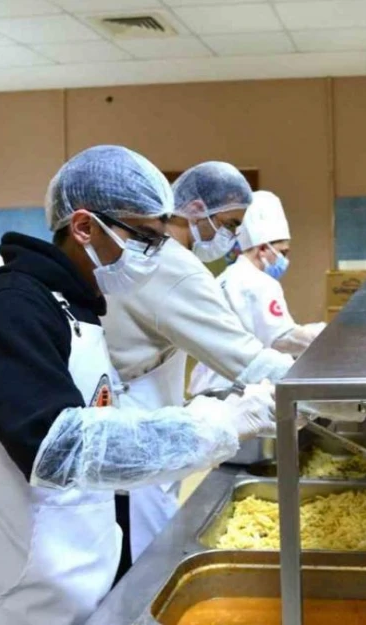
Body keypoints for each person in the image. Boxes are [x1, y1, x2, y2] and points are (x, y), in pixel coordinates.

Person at [0, 146, 276, 625]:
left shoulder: (82, 304)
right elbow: (62, 447)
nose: (155, 254)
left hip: (73, 565)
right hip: (8, 588)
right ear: (85, 227)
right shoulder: (11, 305)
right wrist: (214, 425)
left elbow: (99, 417)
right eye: (146, 239)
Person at [102, 163, 294, 561]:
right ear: (194, 208)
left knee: (151, 522)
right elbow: (246, 359)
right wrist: (330, 390)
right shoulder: (172, 267)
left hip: (153, 410)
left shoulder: (171, 259)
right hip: (136, 416)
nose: (230, 237)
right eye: (228, 223)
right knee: (146, 551)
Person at [189, 191, 324, 395]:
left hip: (212, 383)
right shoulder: (259, 283)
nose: (284, 260)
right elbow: (280, 339)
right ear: (263, 249)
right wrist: (323, 338)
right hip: (237, 386)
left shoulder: (229, 277)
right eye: (283, 252)